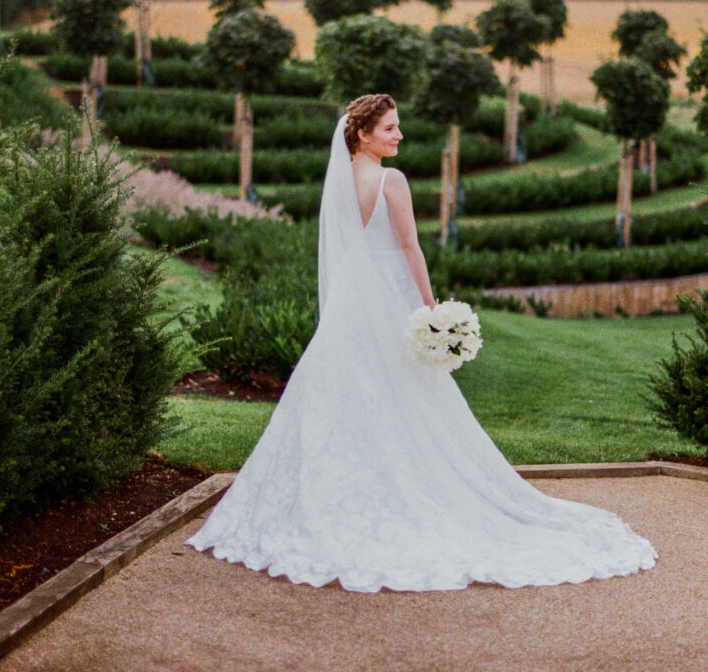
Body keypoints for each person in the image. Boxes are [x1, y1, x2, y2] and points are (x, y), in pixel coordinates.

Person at [187, 94, 657, 592]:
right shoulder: (392, 180)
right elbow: (410, 247)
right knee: (406, 397)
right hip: (390, 299)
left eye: (398, 127)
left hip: (352, 305)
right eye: (389, 128)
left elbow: (345, 250)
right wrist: (433, 311)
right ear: (362, 134)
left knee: (350, 396)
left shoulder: (341, 180)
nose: (399, 136)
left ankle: (349, 493)